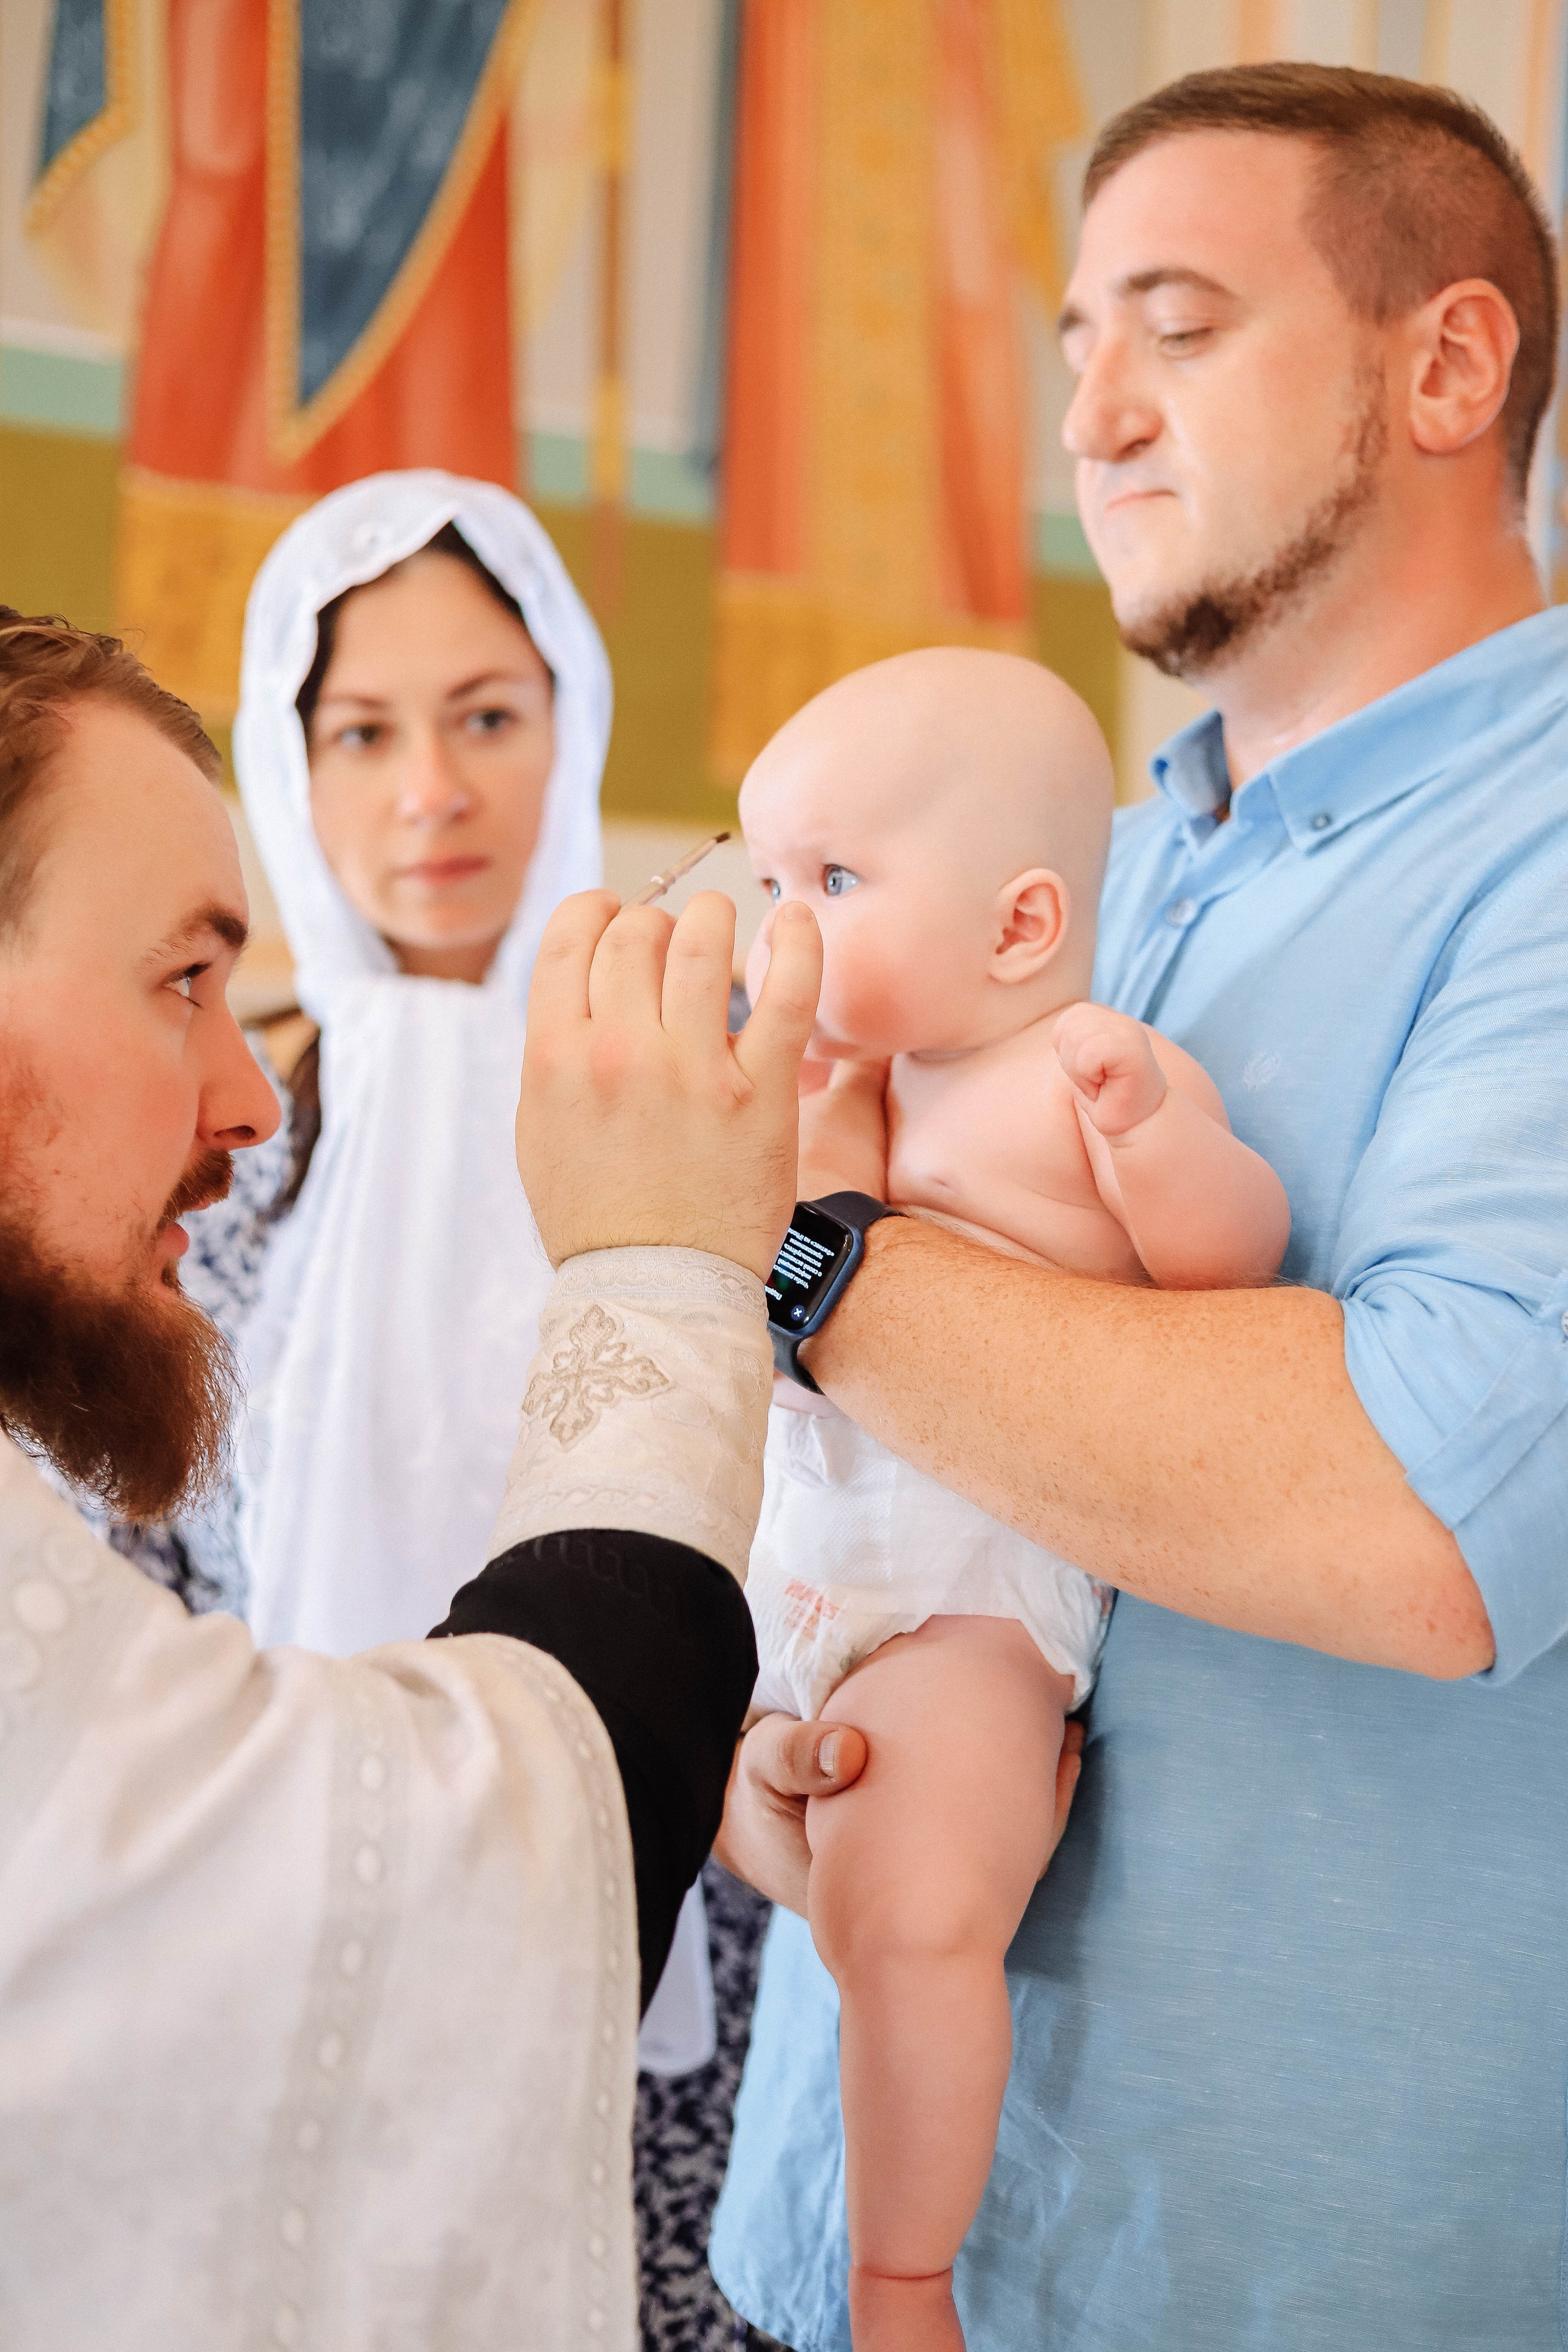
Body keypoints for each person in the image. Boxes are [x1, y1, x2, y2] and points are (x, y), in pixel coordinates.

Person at [710, 62, 1568, 2352]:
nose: (1091, 414)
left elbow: (1423, 1506)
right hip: (863, 2241)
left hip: (1284, 2281)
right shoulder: (1104, 857)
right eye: (1077, 342)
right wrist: (772, 1735)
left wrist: (818, 1264)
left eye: (1177, 328)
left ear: (1448, 366)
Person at [0, 598, 900, 2347]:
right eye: (180, 974)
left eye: (489, 717)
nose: (244, 1099)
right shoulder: (284, 1171)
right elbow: (383, 1886)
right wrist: (661, 1270)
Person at [110, 469, 759, 2340]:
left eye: (489, 714)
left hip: (687, 1900)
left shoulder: (708, 1085)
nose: (433, 791)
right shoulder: (216, 1120)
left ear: (574, 716)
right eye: (364, 731)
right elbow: (114, 1535)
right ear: (285, 764)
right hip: (256, 1928)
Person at [736, 646, 1289, 2351]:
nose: (786, 934)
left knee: (910, 1920)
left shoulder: (1084, 1075)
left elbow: (1232, 1265)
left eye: (831, 882)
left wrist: (1158, 1151)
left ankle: (905, 2271)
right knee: (777, 1834)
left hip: (971, 1603)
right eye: (769, 883)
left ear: (1021, 927)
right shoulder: (850, 1085)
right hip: (808, 1577)